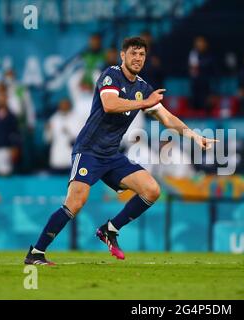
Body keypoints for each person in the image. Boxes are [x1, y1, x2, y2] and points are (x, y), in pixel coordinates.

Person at [24, 37, 217, 265]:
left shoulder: (143, 88)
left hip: (111, 154)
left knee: (151, 190)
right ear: (123, 56)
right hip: (89, 150)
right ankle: (36, 252)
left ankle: (110, 229)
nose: (138, 58)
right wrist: (143, 103)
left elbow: (167, 118)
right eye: (133, 53)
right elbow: (110, 104)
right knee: (75, 202)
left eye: (142, 55)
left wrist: (194, 136)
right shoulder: (111, 75)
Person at [45, 99, 80, 174]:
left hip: (71, 159)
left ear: (69, 106)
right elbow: (48, 140)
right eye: (62, 105)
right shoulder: (54, 119)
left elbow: (80, 138)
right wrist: (48, 130)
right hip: (57, 158)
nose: (63, 107)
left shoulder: (77, 119)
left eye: (65, 105)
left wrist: (69, 132)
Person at [0, 90, 20, 176]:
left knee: (5, 175)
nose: (1, 99)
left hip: (6, 150)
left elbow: (15, 133)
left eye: (3, 97)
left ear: (7, 99)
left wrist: (15, 148)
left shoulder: (12, 116)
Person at [188, 36, 215, 113]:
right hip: (195, 89)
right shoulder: (193, 55)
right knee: (194, 111)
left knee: (207, 111)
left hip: (207, 90)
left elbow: (214, 76)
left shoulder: (210, 57)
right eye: (198, 42)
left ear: (205, 44)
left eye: (201, 42)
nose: (199, 44)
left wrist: (213, 93)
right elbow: (191, 72)